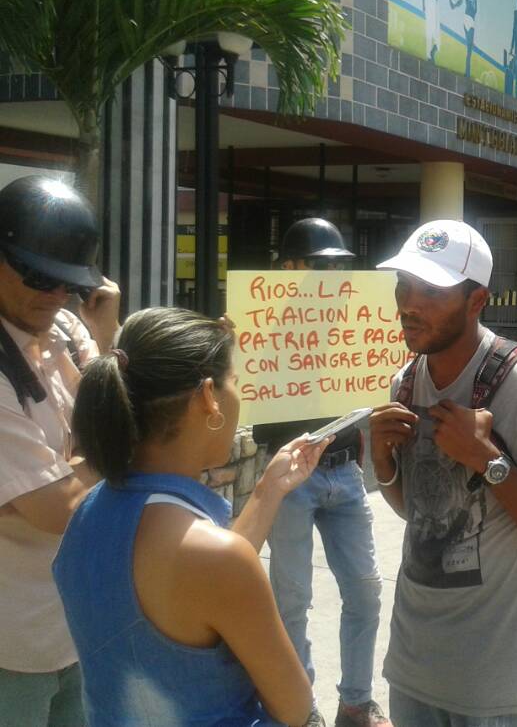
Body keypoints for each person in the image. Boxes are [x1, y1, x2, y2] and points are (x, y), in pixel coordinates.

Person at [54, 307, 332, 726]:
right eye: (233, 380)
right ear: (208, 396)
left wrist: (268, 489)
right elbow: (295, 709)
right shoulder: (214, 559)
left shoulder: (87, 515)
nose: (239, 392)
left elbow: (200, 591)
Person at [369, 220, 517, 726]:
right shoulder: (405, 383)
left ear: (477, 301)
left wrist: (488, 461)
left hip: (501, 685)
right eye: (404, 285)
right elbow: (422, 514)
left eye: (431, 290)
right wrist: (385, 466)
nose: (409, 303)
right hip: (413, 667)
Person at [255, 218, 389, 727]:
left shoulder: (350, 316)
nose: (328, 275)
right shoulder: (262, 321)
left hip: (345, 472)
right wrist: (236, 342)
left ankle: (355, 702)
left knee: (365, 589)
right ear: (288, 267)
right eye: (318, 264)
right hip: (292, 477)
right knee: (292, 599)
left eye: (335, 265)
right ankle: (300, 706)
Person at [0, 175, 120, 727]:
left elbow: (118, 410)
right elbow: (59, 509)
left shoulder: (68, 328)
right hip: (12, 645)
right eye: (40, 277)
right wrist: (110, 454)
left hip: (75, 624)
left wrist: (107, 330)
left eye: (68, 284)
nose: (55, 295)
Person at [452, 0, 479, 79]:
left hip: (471, 19)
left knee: (469, 47)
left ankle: (467, 72)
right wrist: (455, 4)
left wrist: (473, 6)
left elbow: (476, 6)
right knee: (469, 45)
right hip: (466, 18)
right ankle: (466, 71)